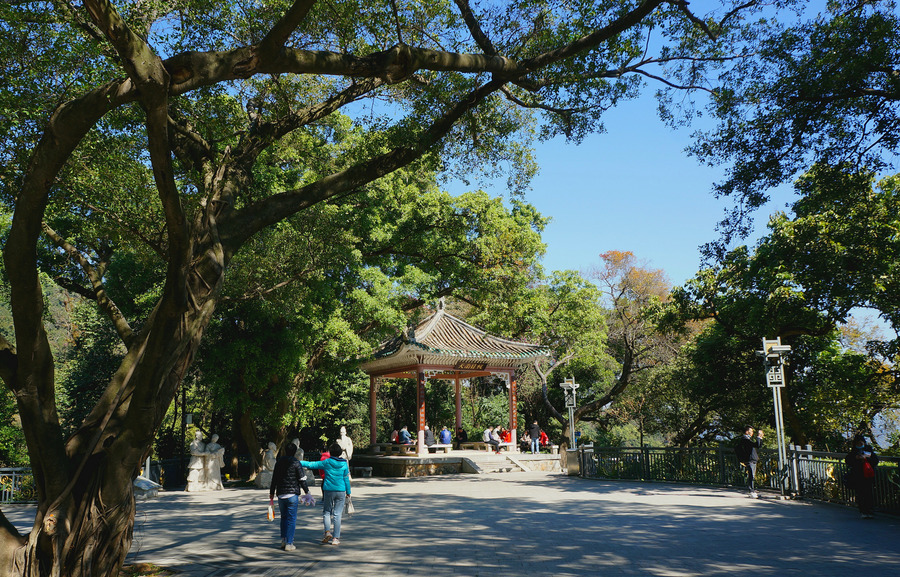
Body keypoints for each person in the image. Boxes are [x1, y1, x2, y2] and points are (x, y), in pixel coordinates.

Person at [301, 443, 352, 546]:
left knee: (327, 512)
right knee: (337, 514)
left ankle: (327, 532)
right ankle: (335, 538)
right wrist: (349, 492)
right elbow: (346, 479)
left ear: (330, 452)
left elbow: (312, 464)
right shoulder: (344, 464)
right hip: (341, 490)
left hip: (328, 490)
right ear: (340, 453)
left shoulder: (327, 462)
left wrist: (299, 462)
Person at [269, 444, 311, 551]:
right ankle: (289, 543)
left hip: (281, 494)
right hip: (292, 494)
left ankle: (283, 540)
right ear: (295, 452)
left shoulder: (279, 462)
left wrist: (271, 493)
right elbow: (302, 479)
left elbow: (274, 479)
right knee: (291, 519)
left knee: (283, 518)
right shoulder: (296, 463)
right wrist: (307, 492)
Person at [845, 434, 879, 518]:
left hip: (868, 475)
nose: (860, 444)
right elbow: (848, 461)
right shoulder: (853, 452)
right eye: (858, 443)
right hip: (858, 476)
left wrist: (866, 458)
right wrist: (856, 458)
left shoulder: (868, 450)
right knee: (860, 494)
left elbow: (875, 460)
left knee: (869, 493)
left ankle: (870, 510)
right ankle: (863, 510)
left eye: (861, 443)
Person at [735, 425, 764, 498]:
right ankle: (751, 491)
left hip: (752, 460)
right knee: (751, 476)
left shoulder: (748, 439)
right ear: (747, 432)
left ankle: (752, 490)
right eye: (751, 431)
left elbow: (758, 446)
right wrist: (758, 437)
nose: (752, 433)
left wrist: (760, 438)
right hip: (749, 460)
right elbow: (756, 445)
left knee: (752, 476)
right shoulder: (745, 440)